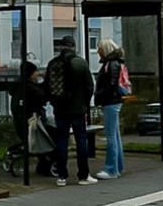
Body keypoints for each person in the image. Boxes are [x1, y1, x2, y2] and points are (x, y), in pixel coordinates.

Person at [45, 34, 97, 186]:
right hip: (77, 109)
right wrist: (84, 103)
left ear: (61, 46)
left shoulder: (53, 63)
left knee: (61, 141)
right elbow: (89, 86)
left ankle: (61, 176)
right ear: (73, 47)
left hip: (60, 109)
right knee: (81, 141)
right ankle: (83, 175)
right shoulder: (80, 63)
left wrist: (54, 103)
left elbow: (47, 86)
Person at [9, 60, 54, 176]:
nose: (37, 74)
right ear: (29, 74)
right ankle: (49, 164)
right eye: (35, 72)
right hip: (33, 126)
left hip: (22, 125)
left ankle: (43, 163)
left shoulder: (19, 88)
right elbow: (42, 95)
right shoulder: (30, 89)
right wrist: (47, 81)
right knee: (52, 136)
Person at [93, 39, 127, 179]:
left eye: (100, 48)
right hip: (113, 101)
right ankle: (118, 166)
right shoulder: (115, 62)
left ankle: (111, 169)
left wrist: (98, 95)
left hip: (110, 102)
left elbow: (111, 85)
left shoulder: (111, 64)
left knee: (111, 137)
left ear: (106, 49)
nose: (98, 51)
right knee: (115, 136)